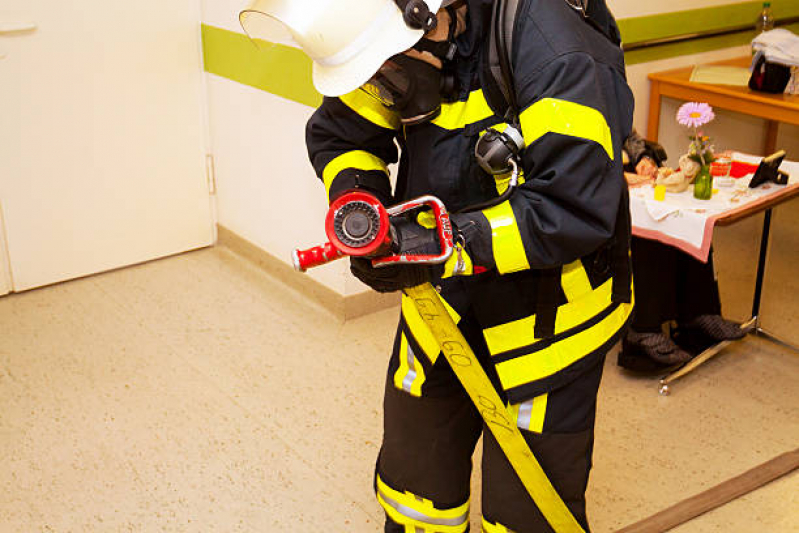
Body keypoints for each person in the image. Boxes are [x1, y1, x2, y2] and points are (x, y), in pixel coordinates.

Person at [245, 0, 634, 530]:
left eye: (389, 63)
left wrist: (444, 243)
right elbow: (344, 137)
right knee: (414, 483)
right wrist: (364, 207)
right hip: (441, 306)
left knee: (528, 509)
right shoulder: (387, 33)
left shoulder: (554, 43)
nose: (384, 77)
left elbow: (574, 205)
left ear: (427, 14)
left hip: (550, 319)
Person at [619, 131, 748, 372]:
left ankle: (699, 314)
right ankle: (643, 329)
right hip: (594, 189)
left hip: (632, 183)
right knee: (649, 227)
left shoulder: (611, 95)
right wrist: (617, 176)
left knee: (683, 217)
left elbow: (629, 135)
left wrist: (643, 159)